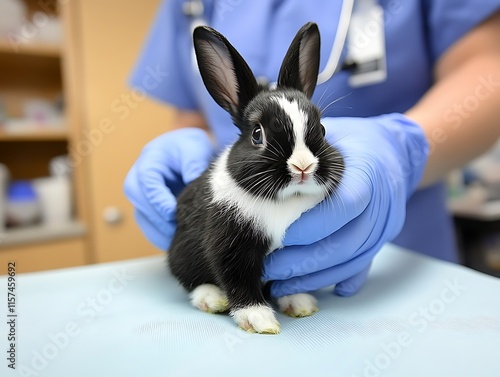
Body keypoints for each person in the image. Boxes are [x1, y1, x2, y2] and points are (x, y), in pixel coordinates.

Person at [124, 0, 500, 298]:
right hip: (243, 204)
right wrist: (183, 156)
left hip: (401, 254)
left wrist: (404, 148)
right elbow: (194, 113)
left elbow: (486, 69)